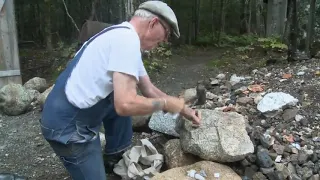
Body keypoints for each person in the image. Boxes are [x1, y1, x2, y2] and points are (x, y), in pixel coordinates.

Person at [39, 1, 201, 180]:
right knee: (127, 101)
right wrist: (165, 104)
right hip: (67, 127)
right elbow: (125, 104)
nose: (164, 40)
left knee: (122, 97)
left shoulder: (123, 36)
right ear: (153, 23)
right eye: (167, 33)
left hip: (70, 114)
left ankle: (114, 157)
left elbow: (148, 89)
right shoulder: (126, 41)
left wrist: (184, 109)